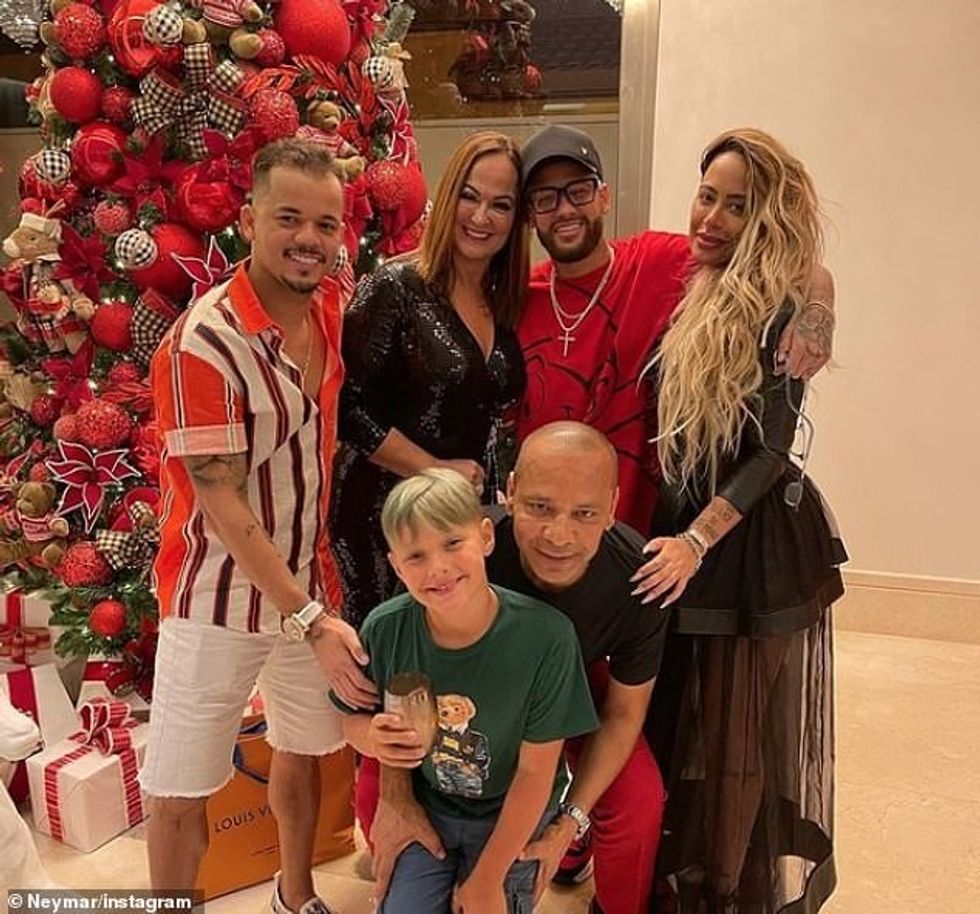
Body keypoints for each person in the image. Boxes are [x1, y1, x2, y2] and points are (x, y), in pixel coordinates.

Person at [141, 139, 372, 914]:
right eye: (289, 219)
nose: (309, 238)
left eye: (327, 223)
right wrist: (309, 618)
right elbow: (224, 505)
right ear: (247, 220)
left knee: (305, 751)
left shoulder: (334, 307)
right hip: (215, 600)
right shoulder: (201, 343)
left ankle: (295, 893)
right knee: (180, 786)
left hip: (308, 586)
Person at [634, 128, 845, 914]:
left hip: (746, 538)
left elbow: (771, 453)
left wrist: (697, 541)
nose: (713, 217)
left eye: (737, 206)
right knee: (675, 718)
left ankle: (725, 894)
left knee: (733, 739)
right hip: (681, 526)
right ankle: (677, 867)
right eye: (707, 195)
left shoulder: (781, 307)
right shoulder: (689, 279)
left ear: (768, 220)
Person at [366, 421, 669, 914]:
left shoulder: (638, 578)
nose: (559, 534)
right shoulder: (450, 547)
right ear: (508, 494)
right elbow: (403, 673)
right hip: (464, 701)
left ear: (612, 509)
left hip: (578, 697)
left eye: (585, 513)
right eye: (540, 507)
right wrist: (396, 798)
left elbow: (622, 713)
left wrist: (567, 822)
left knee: (637, 805)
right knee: (374, 789)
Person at [515, 124, 836, 533]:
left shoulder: (661, 261)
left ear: (604, 196)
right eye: (544, 199)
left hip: (647, 534)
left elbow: (776, 258)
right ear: (529, 214)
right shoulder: (518, 300)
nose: (563, 209)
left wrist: (820, 305)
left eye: (578, 191)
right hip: (549, 537)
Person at [334, 468, 598, 914]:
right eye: (416, 556)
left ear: (486, 538)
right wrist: (371, 738)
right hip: (431, 809)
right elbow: (351, 719)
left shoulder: (546, 638)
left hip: (511, 822)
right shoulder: (384, 629)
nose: (437, 567)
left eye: (453, 544)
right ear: (396, 565)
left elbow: (536, 774)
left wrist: (487, 881)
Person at [330, 130, 529, 630]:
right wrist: (430, 468)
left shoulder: (503, 303)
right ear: (448, 195)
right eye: (470, 196)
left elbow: (490, 411)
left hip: (458, 523)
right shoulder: (396, 287)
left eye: (500, 205)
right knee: (387, 672)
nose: (481, 217)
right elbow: (346, 407)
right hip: (380, 520)